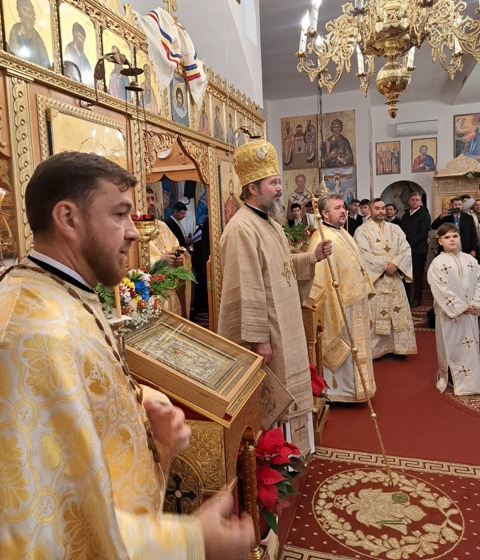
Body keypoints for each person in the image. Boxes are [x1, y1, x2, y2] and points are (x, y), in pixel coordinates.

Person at [0, 151, 253, 559]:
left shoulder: (58, 292)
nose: (135, 232)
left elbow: (78, 400)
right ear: (68, 219)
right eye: (120, 214)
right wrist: (192, 541)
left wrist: (146, 408)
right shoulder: (35, 335)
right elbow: (48, 527)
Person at [217, 139, 332, 455]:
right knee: (274, 397)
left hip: (285, 324)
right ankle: (278, 458)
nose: (280, 188)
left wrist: (312, 257)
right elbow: (247, 288)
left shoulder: (270, 223)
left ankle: (293, 453)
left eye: (279, 181)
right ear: (253, 188)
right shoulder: (241, 228)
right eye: (273, 183)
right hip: (269, 331)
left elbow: (282, 266)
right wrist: (259, 339)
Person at [308, 193, 376, 402]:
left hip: (355, 302)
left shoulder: (343, 232)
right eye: (337, 208)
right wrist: (331, 307)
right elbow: (319, 280)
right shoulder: (321, 237)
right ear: (324, 213)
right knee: (346, 347)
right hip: (339, 306)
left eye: (343, 207)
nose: (343, 211)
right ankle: (340, 392)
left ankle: (358, 389)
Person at [354, 198, 416, 359]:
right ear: (370, 210)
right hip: (377, 280)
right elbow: (363, 254)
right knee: (375, 313)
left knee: (398, 312)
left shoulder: (395, 229)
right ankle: (376, 350)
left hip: (394, 278)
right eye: (377, 208)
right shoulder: (361, 231)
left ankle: (399, 348)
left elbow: (405, 249)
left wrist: (396, 264)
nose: (381, 211)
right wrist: (384, 267)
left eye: (383, 208)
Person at [427, 223, 480, 396]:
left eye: (455, 236)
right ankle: (452, 379)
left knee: (471, 346)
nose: (452, 240)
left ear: (460, 238)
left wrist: (475, 303)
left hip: (470, 312)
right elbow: (439, 288)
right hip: (449, 314)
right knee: (452, 346)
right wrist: (459, 307)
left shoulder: (471, 261)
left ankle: (473, 382)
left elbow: (479, 282)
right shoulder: (437, 263)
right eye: (447, 237)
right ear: (440, 241)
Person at [147, 187, 190, 317]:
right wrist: (160, 260)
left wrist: (181, 259)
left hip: (172, 295)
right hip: (151, 299)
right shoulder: (132, 231)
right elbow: (134, 267)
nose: (151, 203)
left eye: (153, 199)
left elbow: (178, 248)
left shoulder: (162, 226)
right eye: (147, 200)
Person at [400, 191, 431, 308]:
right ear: (409, 201)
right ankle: (407, 298)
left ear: (420, 202)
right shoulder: (406, 215)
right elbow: (402, 232)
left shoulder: (424, 215)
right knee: (406, 275)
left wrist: (409, 244)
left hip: (418, 250)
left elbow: (422, 233)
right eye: (412, 200)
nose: (414, 202)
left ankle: (417, 299)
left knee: (418, 276)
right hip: (405, 250)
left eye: (417, 200)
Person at [8, 0, 51, 68]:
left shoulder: (38, 40)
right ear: (20, 14)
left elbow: (46, 65)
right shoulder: (15, 31)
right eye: (26, 12)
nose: (30, 16)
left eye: (31, 12)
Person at [64, 21, 94, 86]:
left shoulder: (84, 57)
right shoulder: (69, 48)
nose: (81, 41)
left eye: (83, 39)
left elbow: (90, 76)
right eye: (79, 36)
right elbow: (67, 70)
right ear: (75, 34)